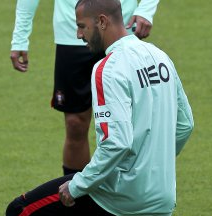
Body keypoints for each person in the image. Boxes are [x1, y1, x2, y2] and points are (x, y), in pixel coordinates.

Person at [6, 0, 194, 216]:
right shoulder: (161, 57)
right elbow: (185, 125)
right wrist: (149, 168)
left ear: (102, 22)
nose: (78, 34)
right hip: (160, 200)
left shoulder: (108, 68)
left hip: (118, 198)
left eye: (82, 26)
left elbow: (117, 143)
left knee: (19, 211)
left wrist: (78, 186)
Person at [10, 0, 160, 175]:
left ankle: (130, 194)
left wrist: (146, 9)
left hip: (120, 29)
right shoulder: (77, 32)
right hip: (70, 35)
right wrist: (20, 37)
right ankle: (77, 197)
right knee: (75, 124)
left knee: (132, 123)